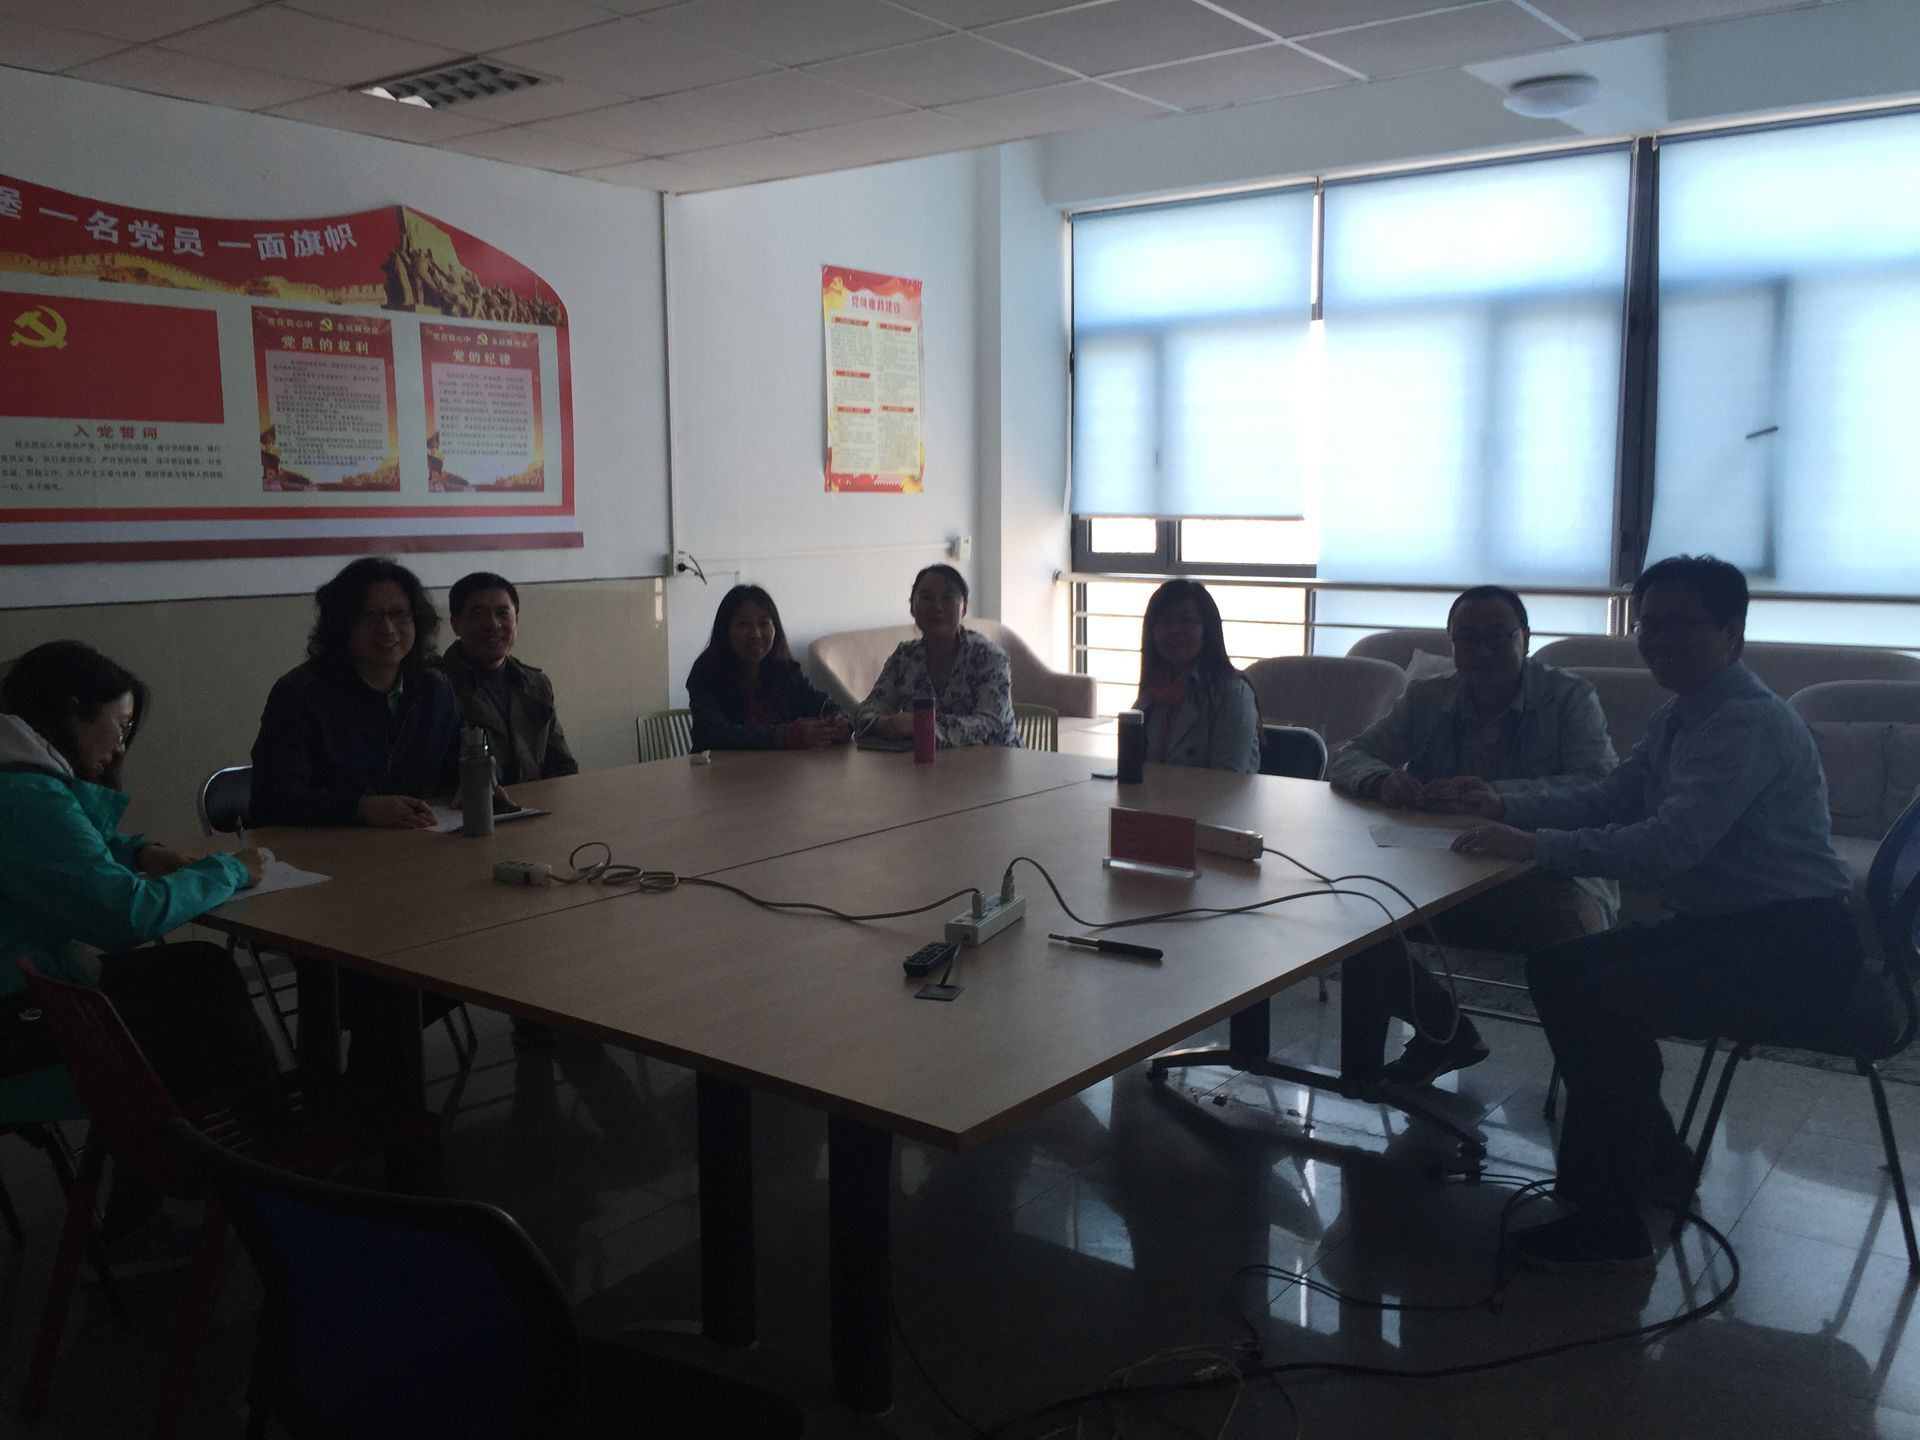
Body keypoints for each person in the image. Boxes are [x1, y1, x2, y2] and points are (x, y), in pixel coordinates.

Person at [1451, 556, 1861, 1273]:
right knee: (1557, 969)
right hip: (1726, 928)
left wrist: (1537, 845)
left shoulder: (1745, 722)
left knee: (1601, 999)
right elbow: (1613, 796)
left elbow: (1668, 848)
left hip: (1791, 944)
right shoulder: (1684, 713)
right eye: (1650, 625)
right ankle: (1659, 1159)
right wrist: (1507, 805)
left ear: (1731, 631)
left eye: (1682, 625)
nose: (1660, 641)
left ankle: (1607, 1220)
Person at [0, 641, 272, 1258]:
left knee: (199, 971)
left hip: (34, 986)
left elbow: (77, 847)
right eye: (119, 726)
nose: (121, 746)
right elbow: (124, 916)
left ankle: (244, 1162)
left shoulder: (20, 771)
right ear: (74, 710)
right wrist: (229, 870)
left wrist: (142, 853)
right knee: (183, 1032)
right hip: (15, 1018)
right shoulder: (22, 794)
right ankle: (252, 1171)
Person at [1327, 586, 1619, 1085]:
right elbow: (1350, 754)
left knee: (1576, 946)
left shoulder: (1569, 697)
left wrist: (1502, 799)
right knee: (1353, 906)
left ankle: (1599, 1091)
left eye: (1497, 637)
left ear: (1525, 639)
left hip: (1546, 872)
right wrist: (1380, 779)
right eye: (1468, 638)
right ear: (1452, 644)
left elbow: (1599, 785)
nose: (1483, 651)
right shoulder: (1427, 697)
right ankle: (1438, 1034)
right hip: (1438, 870)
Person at [250, 556, 462, 828]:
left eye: (400, 614)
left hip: (414, 839)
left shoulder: (434, 687)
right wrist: (360, 807)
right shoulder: (300, 695)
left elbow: (461, 758)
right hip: (326, 845)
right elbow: (273, 801)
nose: (387, 628)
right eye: (369, 615)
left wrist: (475, 781)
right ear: (342, 624)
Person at [432, 571, 580, 786]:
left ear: (516, 620)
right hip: (470, 805)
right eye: (478, 614)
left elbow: (562, 766)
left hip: (535, 804)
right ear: (455, 624)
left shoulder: (536, 684)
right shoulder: (434, 686)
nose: (493, 624)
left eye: (503, 613)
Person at [855, 564, 1019, 749]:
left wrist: (921, 726)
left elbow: (991, 725)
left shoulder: (989, 657)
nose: (937, 607)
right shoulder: (904, 657)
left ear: (964, 607)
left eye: (948, 597)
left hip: (995, 762)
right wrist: (883, 724)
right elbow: (867, 712)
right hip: (927, 763)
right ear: (912, 607)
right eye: (926, 598)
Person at [686, 585, 849, 751]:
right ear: (725, 630)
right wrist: (784, 736)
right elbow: (711, 734)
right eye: (743, 623)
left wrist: (839, 722)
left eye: (764, 623)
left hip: (779, 767)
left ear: (775, 629)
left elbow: (823, 705)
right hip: (721, 767)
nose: (756, 634)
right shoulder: (706, 671)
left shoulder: (785, 670)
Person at [1133, 580, 1259, 772]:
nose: (1175, 630)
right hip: (1156, 792)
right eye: (1165, 621)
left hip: (1214, 793)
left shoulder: (1233, 694)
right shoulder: (1152, 693)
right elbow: (1135, 767)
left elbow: (1226, 780)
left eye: (1186, 620)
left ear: (1207, 630)